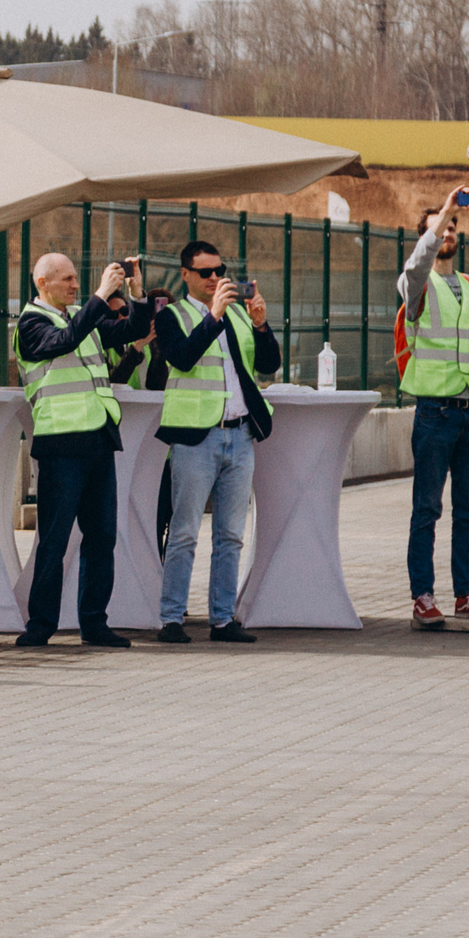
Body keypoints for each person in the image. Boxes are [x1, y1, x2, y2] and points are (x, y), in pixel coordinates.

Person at [15, 253, 149, 648]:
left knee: (102, 536)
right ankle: (40, 625)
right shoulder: (31, 323)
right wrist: (100, 294)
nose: (75, 286)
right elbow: (65, 341)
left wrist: (135, 292)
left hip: (97, 437)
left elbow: (132, 330)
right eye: (67, 279)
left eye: (77, 280)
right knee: (54, 539)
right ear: (43, 283)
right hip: (61, 443)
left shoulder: (81, 316)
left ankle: (94, 622)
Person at [151, 241, 281, 644]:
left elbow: (268, 364)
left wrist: (260, 324)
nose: (214, 278)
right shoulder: (173, 315)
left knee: (230, 534)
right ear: (186, 274)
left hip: (238, 435)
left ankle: (223, 619)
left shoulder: (239, 315)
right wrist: (214, 316)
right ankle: (171, 618)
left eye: (218, 270)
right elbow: (183, 358)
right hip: (195, 437)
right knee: (186, 531)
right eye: (205, 272)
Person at [401, 188, 469, 624]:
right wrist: (443, 212)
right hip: (435, 414)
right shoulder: (416, 285)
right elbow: (416, 265)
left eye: (453, 227)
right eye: (441, 227)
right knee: (427, 509)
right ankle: (422, 594)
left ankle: (466, 594)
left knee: (468, 512)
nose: (448, 232)